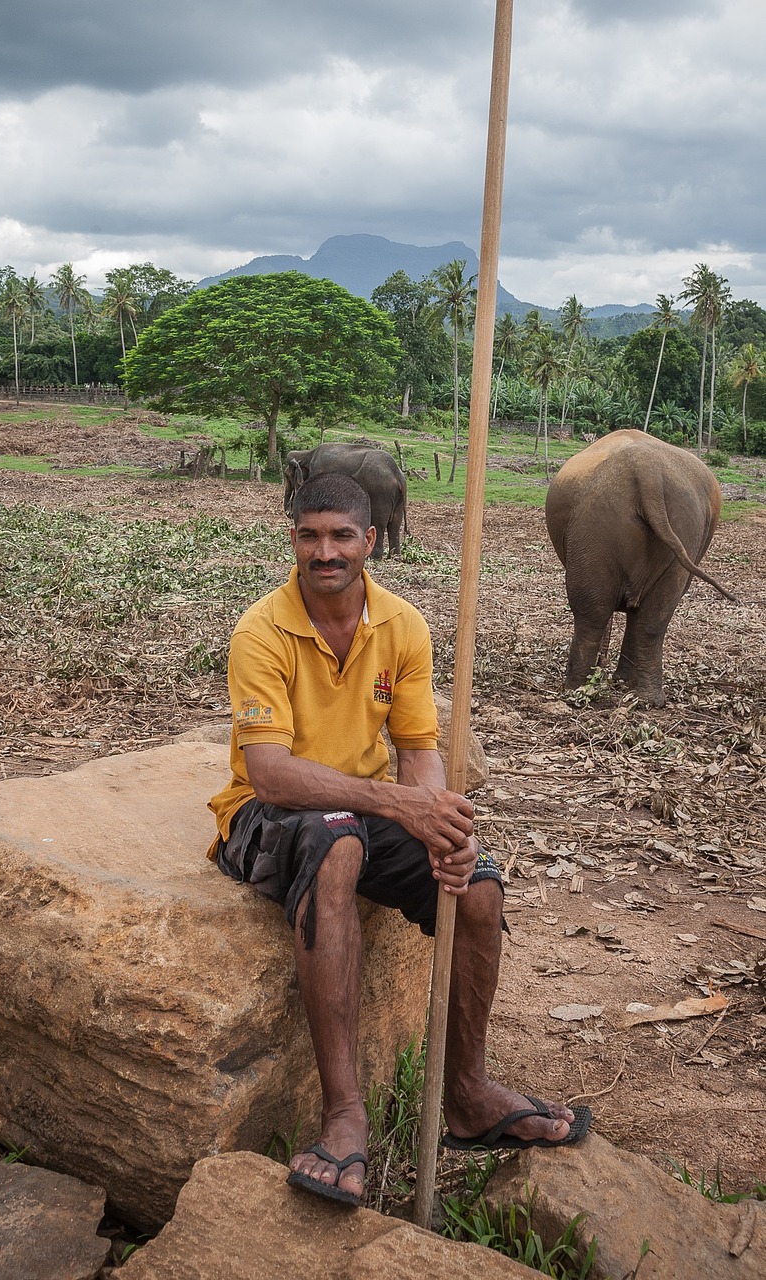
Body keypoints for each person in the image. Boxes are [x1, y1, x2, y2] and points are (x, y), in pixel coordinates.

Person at [209, 473, 590, 1207]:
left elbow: (416, 746)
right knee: (338, 843)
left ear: (369, 541)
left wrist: (432, 815)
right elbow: (271, 772)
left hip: (360, 808)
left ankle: (469, 1095)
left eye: (340, 536)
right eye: (310, 535)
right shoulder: (261, 628)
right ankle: (344, 1116)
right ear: (292, 539)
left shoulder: (401, 624)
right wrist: (396, 804)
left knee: (477, 881)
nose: (325, 551)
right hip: (267, 816)